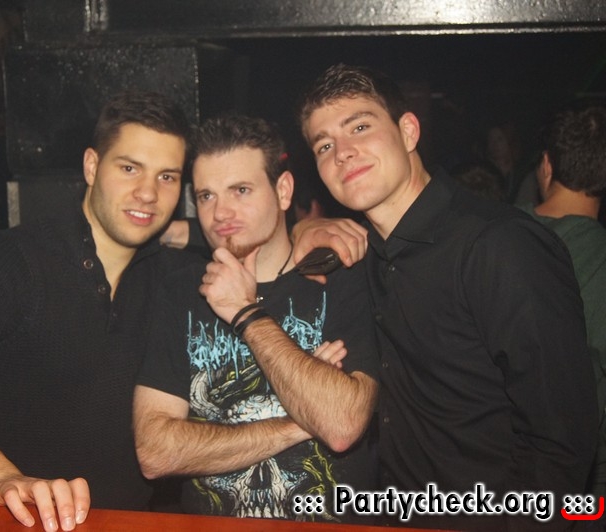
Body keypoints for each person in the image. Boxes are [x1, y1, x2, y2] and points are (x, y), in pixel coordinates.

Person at [296, 63, 597, 529]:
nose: (343, 152)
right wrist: (301, 228)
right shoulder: (363, 256)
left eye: (359, 127)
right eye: (324, 145)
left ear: (408, 131)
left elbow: (560, 440)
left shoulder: (499, 245)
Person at [0, 91, 194, 532]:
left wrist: (203, 230)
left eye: (167, 177)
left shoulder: (174, 280)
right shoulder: (12, 259)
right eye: (129, 168)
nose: (147, 192)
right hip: (13, 523)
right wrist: (0, 478)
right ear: (91, 166)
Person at [133, 115, 378, 522]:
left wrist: (245, 313)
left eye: (241, 190)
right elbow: (155, 452)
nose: (220, 212)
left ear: (283, 191)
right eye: (206, 196)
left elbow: (342, 425)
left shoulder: (340, 276)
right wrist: (300, 420)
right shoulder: (180, 291)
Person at [526, 103, 606, 498]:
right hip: (583, 476)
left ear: (546, 165)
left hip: (494, 467)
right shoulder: (599, 254)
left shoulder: (489, 231)